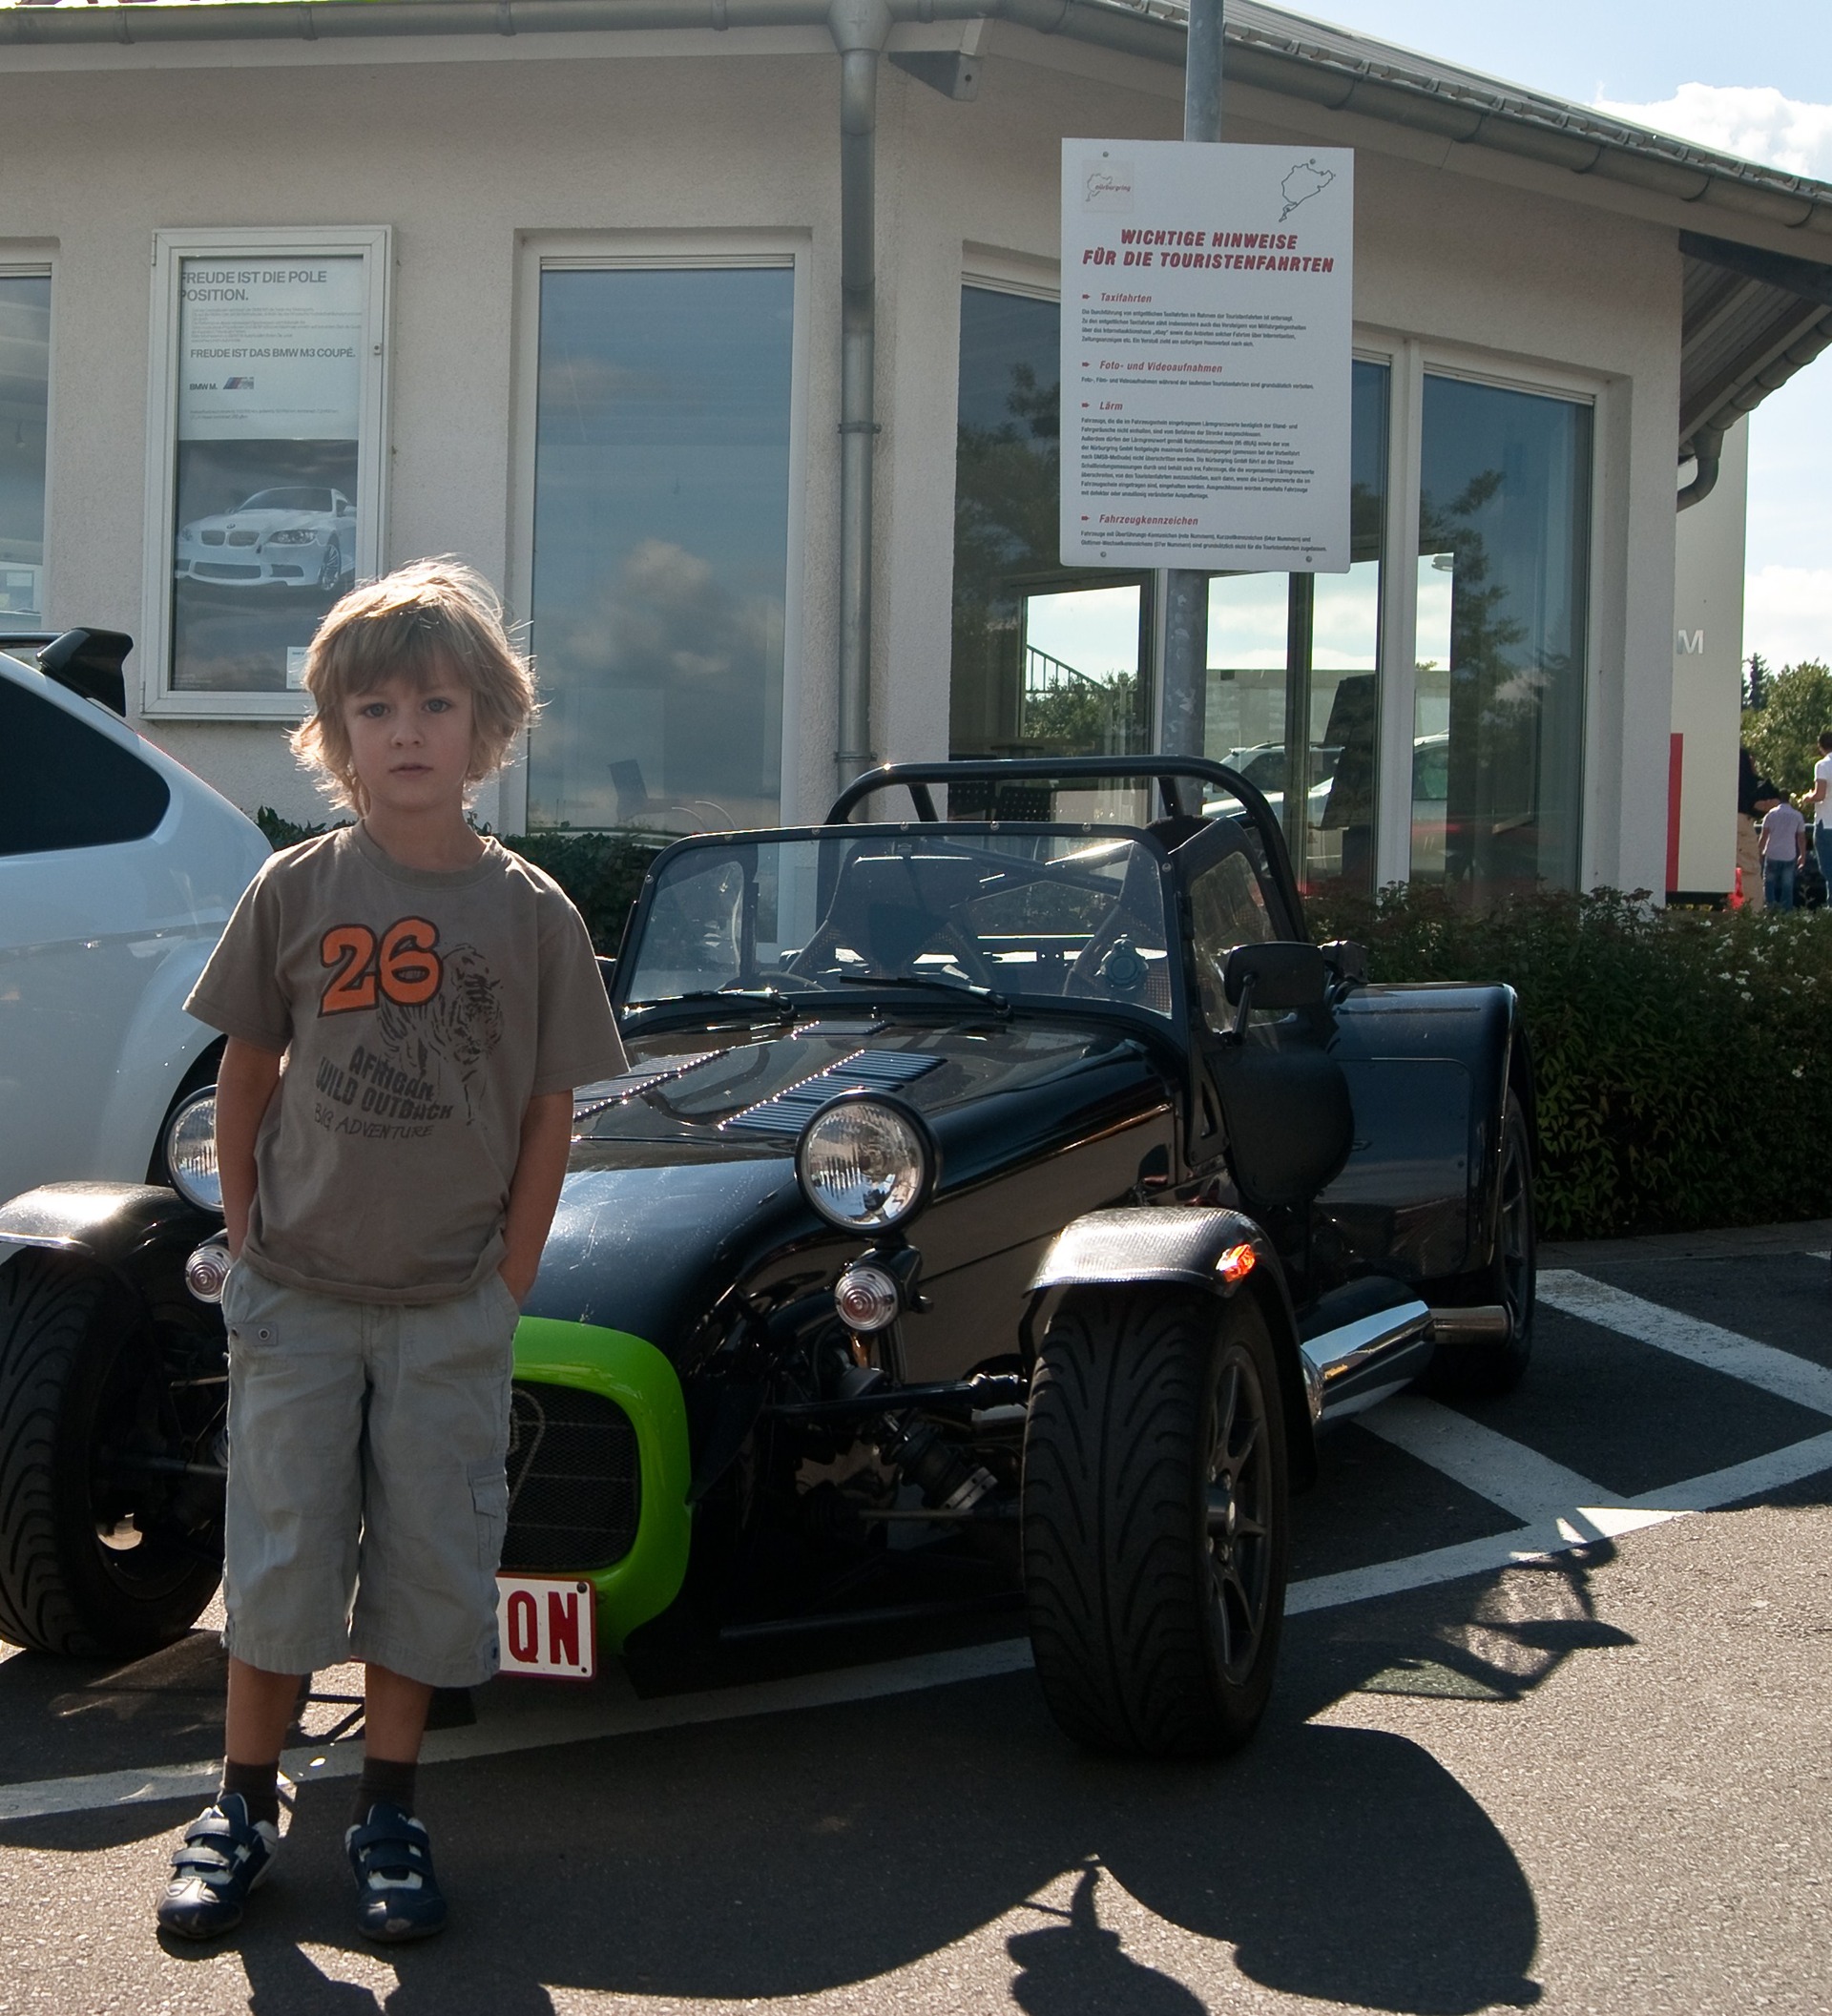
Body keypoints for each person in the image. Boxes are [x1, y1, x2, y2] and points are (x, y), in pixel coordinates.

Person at [156, 559, 624, 1943]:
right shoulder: (295, 891)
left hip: (448, 1311)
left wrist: (512, 1277)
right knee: (285, 1548)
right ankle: (240, 1801)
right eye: (377, 706)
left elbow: (551, 1115)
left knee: (427, 1563)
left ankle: (391, 1807)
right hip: (297, 1297)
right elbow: (244, 1074)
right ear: (335, 731)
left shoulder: (534, 915)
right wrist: (245, 1230)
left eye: (437, 702)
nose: (408, 729)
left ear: (489, 727)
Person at [1755, 783, 1806, 910]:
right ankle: (1786, 912)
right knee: (1787, 886)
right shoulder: (1797, 815)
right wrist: (1802, 856)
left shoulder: (1770, 815)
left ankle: (1770, 909)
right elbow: (1801, 838)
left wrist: (1759, 853)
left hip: (1772, 853)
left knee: (1769, 884)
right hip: (1789, 854)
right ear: (1789, 799)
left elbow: (1764, 836)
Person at [1810, 731, 1832, 896]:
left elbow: (1820, 795)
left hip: (1826, 823)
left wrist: (1806, 798)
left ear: (1821, 747)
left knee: (1828, 871)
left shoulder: (1823, 765)